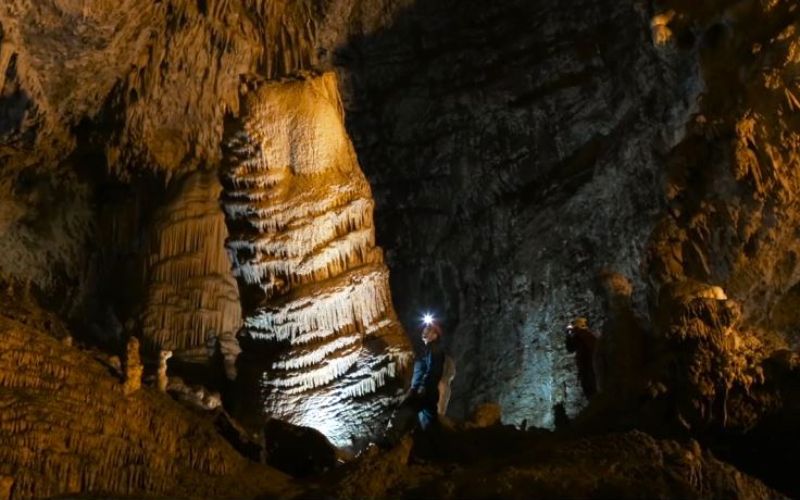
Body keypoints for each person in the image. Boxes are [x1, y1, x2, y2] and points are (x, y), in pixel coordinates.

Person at [407, 322, 446, 430]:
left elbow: (434, 370)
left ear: (435, 335)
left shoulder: (434, 349)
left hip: (426, 391)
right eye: (424, 330)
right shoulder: (427, 349)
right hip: (422, 390)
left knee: (425, 422)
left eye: (429, 330)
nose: (425, 331)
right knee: (425, 423)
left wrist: (423, 388)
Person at [565, 317, 599, 399]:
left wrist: (568, 335)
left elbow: (570, 348)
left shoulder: (582, 335)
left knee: (589, 387)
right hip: (591, 365)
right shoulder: (590, 336)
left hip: (587, 365)